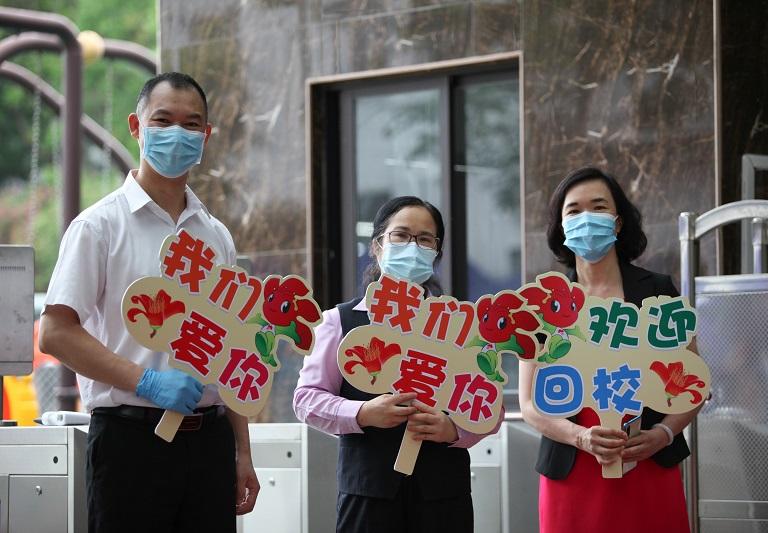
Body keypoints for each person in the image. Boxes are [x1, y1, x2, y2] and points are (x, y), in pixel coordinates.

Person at [39, 72, 259, 533]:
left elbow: (233, 347)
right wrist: (147, 381)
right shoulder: (98, 227)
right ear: (136, 128)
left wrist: (242, 451)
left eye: (191, 124)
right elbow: (56, 332)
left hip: (209, 442)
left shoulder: (216, 236)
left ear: (206, 136)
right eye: (163, 120)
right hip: (130, 440)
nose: (177, 133)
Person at [294, 196, 497, 533]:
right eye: (400, 235)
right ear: (377, 247)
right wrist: (362, 413)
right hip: (368, 493)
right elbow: (306, 399)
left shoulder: (461, 326)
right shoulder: (340, 321)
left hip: (443, 494)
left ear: (436, 252)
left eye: (424, 239)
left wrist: (455, 430)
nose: (412, 246)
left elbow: (489, 407)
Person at [518, 167, 703, 533]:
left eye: (598, 207)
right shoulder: (542, 304)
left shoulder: (658, 291)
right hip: (572, 469)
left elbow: (693, 381)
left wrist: (662, 435)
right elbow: (529, 403)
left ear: (617, 223)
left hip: (647, 462)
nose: (586, 218)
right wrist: (581, 437)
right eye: (573, 211)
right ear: (561, 226)